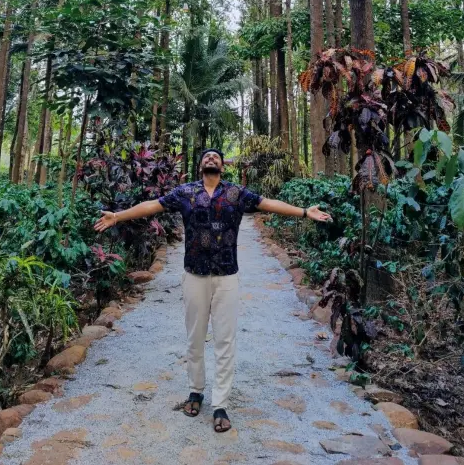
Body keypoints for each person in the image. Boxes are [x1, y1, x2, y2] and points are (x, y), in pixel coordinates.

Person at [94, 147, 332, 433]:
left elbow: (269, 203)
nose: (211, 158)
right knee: (195, 339)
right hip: (194, 275)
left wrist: (305, 212)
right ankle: (195, 391)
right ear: (200, 166)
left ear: (221, 166)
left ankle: (221, 404)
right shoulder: (185, 193)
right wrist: (117, 216)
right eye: (207, 156)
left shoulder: (235, 193)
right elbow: (151, 205)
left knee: (225, 341)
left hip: (226, 277)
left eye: (216, 157)